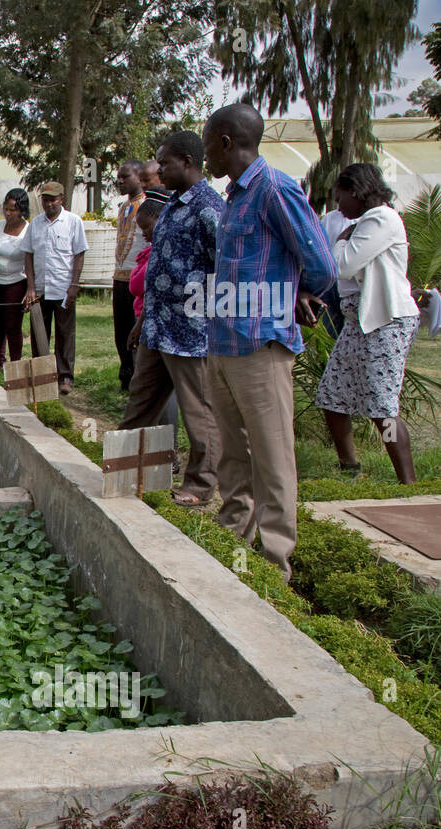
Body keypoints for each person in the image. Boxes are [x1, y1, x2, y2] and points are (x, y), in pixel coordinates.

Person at [202, 103, 335, 580]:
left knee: (272, 456)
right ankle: (233, 539)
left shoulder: (275, 189)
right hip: (223, 342)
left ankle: (274, 562)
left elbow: (321, 263)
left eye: (206, 143)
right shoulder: (234, 196)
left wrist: (299, 292)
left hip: (260, 347)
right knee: (233, 453)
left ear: (226, 142)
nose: (204, 155)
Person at [120, 130, 225, 507]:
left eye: (164, 163)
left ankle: (199, 485)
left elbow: (226, 268)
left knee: (198, 411)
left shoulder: (209, 208)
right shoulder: (171, 205)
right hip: (156, 326)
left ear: (187, 161)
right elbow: (159, 269)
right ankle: (123, 469)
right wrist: (142, 319)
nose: (159, 170)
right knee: (140, 402)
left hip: (191, 331)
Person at [315, 163, 421, 485]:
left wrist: (341, 241)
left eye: (340, 196)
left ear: (356, 191)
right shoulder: (366, 220)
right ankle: (349, 467)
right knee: (331, 395)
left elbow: (343, 266)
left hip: (385, 322)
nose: (338, 205)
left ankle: (408, 481)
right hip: (359, 322)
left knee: (382, 404)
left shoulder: (381, 219)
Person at [22, 180, 88, 394]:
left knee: (65, 333)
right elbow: (28, 255)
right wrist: (30, 287)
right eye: (45, 200)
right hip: (40, 288)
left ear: (62, 199)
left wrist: (74, 285)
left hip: (62, 287)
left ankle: (65, 376)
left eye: (53, 200)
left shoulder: (73, 222)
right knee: (40, 332)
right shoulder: (35, 224)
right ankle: (42, 376)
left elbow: (79, 255)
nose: (49, 204)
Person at [0, 188, 32, 375]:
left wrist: (30, 288)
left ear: (22, 210)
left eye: (12, 209)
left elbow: (30, 261)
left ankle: (15, 365)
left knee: (13, 326)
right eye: (5, 208)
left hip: (16, 283)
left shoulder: (28, 230)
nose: (8, 213)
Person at [112, 161, 148, 391]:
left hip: (137, 277)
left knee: (135, 331)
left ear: (138, 176)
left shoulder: (146, 205)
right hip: (119, 277)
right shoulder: (124, 207)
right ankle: (125, 374)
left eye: (125, 177)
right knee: (121, 331)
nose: (120, 181)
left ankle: (138, 376)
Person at [319, 185, 356, 336]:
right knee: (330, 326)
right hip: (331, 283)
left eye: (340, 198)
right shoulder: (330, 218)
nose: (338, 204)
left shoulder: (366, 220)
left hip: (352, 284)